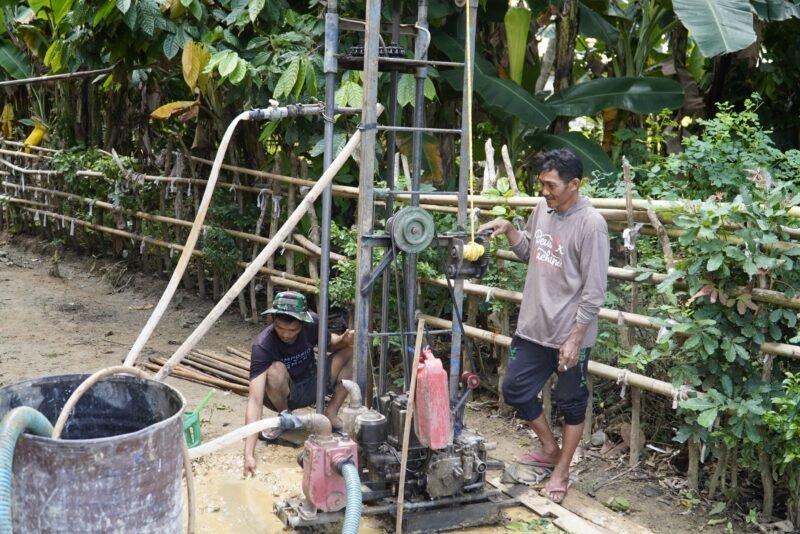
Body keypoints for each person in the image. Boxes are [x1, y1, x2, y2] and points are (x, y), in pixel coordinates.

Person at [479, 149, 609, 504]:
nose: (544, 191)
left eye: (551, 185)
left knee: (571, 403)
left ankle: (562, 471)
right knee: (515, 389)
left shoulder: (591, 225)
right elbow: (529, 253)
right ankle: (550, 448)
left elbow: (594, 291)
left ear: (574, 184)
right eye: (542, 184)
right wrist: (509, 230)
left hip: (569, 333)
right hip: (533, 326)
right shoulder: (542, 209)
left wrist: (575, 338)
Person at [242, 290, 354, 477]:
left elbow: (330, 344)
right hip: (283, 395)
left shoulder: (313, 323)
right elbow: (254, 400)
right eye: (280, 328)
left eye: (292, 330)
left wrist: (344, 339)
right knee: (275, 370)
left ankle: (331, 413)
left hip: (313, 382)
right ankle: (284, 417)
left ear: (303, 323)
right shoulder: (263, 345)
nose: (286, 334)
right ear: (273, 321)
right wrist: (248, 454)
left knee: (351, 351)